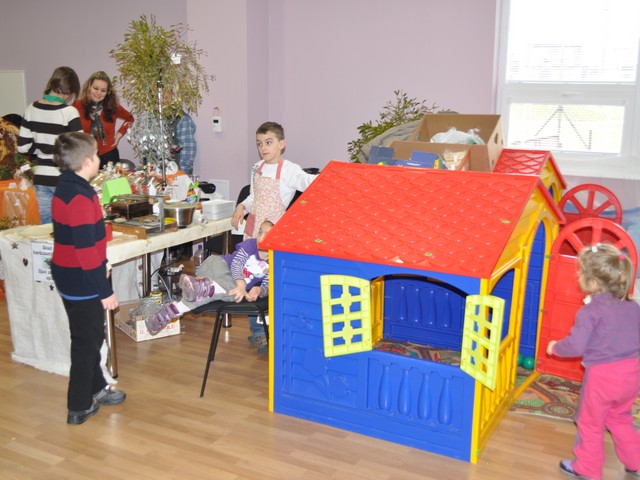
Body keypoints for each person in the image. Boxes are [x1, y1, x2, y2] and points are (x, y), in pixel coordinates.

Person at [546, 243, 640, 480]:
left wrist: (555, 347)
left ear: (594, 282)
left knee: (590, 423)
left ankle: (587, 468)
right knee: (620, 418)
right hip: (632, 373)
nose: (578, 275)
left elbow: (576, 346)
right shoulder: (633, 307)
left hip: (602, 377)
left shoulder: (589, 312)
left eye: (581, 272)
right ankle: (636, 462)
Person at [50, 132, 125, 425]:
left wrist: (100, 265)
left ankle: (96, 387)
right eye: (95, 155)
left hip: (69, 274)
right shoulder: (81, 197)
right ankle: (79, 405)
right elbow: (85, 251)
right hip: (81, 279)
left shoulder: (65, 187)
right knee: (87, 343)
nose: (99, 159)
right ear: (86, 162)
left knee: (87, 336)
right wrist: (104, 290)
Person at [146, 220, 274, 356]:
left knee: (205, 297)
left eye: (267, 234)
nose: (260, 237)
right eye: (260, 232)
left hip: (219, 283)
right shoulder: (250, 245)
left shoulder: (273, 261)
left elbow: (267, 284)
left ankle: (165, 314)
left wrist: (259, 290)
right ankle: (204, 286)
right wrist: (241, 284)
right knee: (236, 292)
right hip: (217, 266)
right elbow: (236, 264)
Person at [18, 66, 82, 224]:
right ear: (70, 90)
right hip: (64, 177)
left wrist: (42, 149)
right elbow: (80, 148)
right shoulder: (69, 112)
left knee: (46, 226)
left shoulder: (31, 109)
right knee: (67, 225)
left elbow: (22, 147)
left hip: (41, 178)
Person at [231, 121, 316, 238]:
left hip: (272, 230)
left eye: (268, 142)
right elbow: (254, 197)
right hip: (253, 227)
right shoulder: (256, 167)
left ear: (281, 144)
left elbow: (307, 181)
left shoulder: (289, 170)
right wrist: (242, 206)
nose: (263, 148)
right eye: (259, 144)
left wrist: (331, 175)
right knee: (250, 250)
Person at [73, 71, 134, 169]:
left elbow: (130, 118)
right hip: (85, 155)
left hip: (109, 155)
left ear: (108, 92)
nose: (98, 93)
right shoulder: (77, 105)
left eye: (103, 90)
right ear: (89, 86)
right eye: (95, 88)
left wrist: (119, 134)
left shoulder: (113, 107)